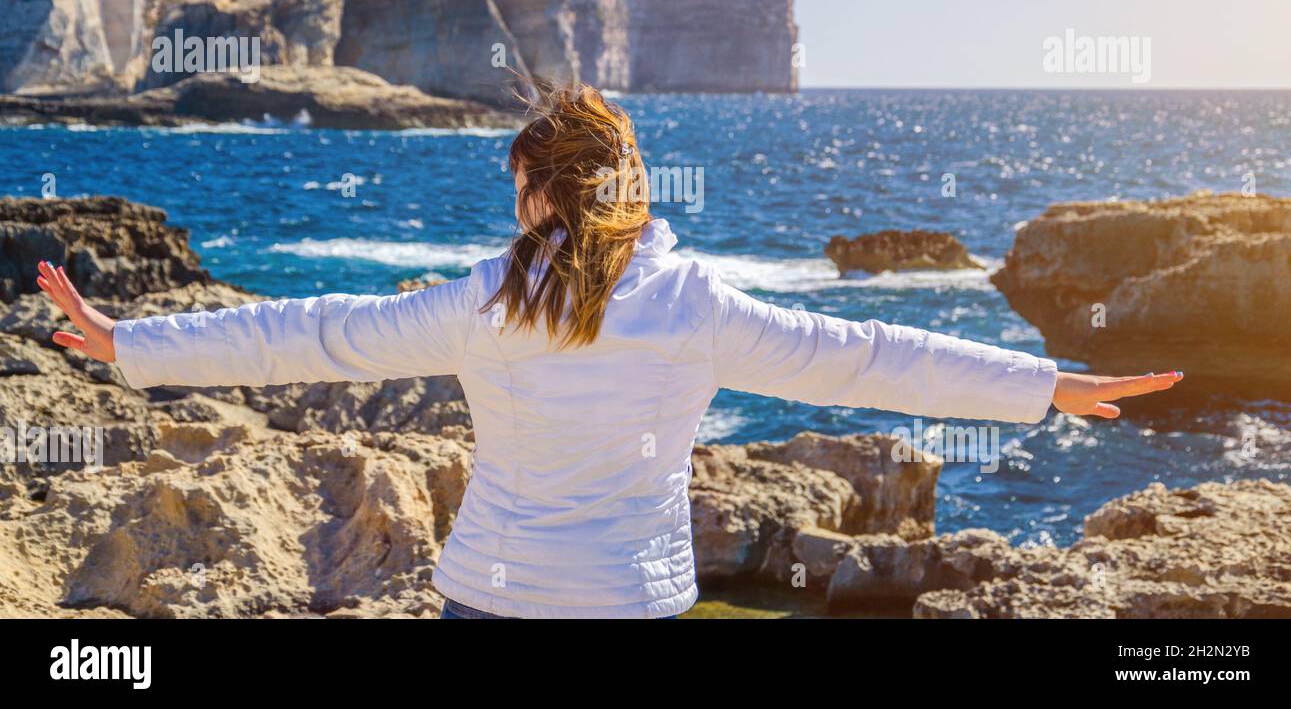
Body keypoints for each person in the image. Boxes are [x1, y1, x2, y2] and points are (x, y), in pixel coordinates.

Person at [36, 85, 1182, 619]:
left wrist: (131, 343)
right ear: (630, 190)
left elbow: (307, 332)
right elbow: (868, 356)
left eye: (516, 182)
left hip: (489, 595)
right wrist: (1043, 384)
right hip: (629, 604)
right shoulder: (693, 304)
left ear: (541, 191)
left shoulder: (482, 299)